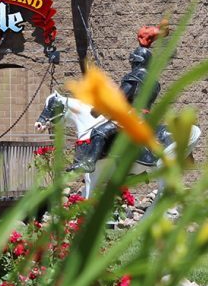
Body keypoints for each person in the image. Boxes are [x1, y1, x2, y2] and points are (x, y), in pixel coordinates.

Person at [67, 23, 168, 173]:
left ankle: (89, 162)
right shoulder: (154, 81)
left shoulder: (134, 76)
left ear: (138, 60)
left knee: (98, 132)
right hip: (146, 117)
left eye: (133, 61)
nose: (132, 63)